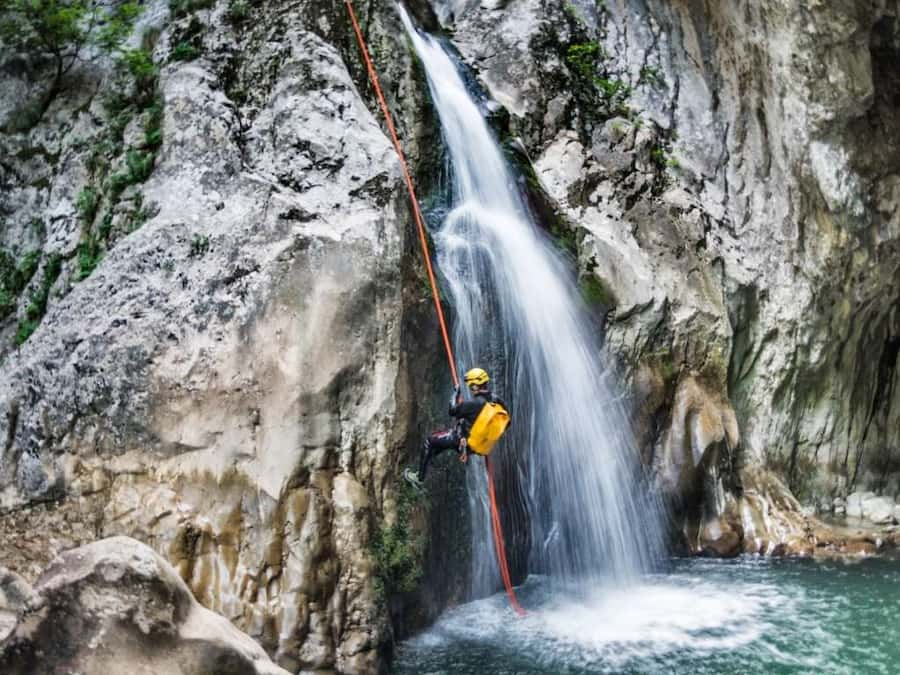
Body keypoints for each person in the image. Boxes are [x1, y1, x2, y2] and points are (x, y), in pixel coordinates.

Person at [403, 367, 508, 490]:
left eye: (471, 385)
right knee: (439, 444)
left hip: (461, 441)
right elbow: (506, 421)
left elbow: (452, 410)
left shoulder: (473, 404)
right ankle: (428, 460)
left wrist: (455, 393)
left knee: (430, 441)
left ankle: (419, 478)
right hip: (478, 446)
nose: (470, 388)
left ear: (475, 386)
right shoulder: (496, 400)